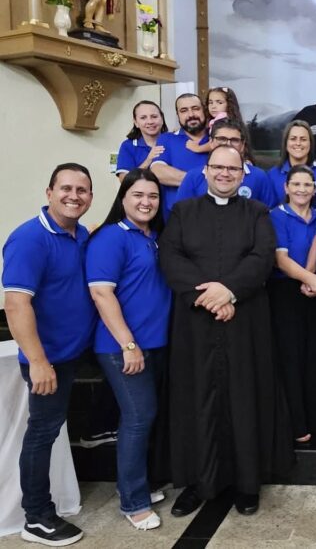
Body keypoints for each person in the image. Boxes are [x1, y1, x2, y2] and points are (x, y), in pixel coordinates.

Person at [159, 145, 293, 518]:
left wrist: (229, 291)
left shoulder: (257, 212)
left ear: (242, 174)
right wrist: (209, 295)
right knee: (195, 398)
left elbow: (262, 257)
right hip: (196, 322)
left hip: (244, 321)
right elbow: (170, 257)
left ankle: (246, 484)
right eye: (217, 167)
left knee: (243, 398)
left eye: (231, 169)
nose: (223, 174)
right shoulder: (183, 212)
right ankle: (197, 483)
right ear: (205, 171)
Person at [2, 163, 97, 546]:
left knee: (53, 429)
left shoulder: (81, 233)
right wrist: (38, 361)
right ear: (49, 192)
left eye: (82, 190)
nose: (74, 196)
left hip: (75, 353)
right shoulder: (29, 239)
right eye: (66, 189)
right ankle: (37, 517)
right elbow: (15, 304)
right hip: (48, 359)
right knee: (42, 433)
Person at [85, 168, 171, 531]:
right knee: (137, 419)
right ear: (123, 199)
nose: (146, 202)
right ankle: (132, 501)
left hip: (157, 343)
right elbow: (101, 293)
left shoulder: (153, 236)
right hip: (123, 348)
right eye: (138, 195)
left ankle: (143, 484)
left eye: (152, 196)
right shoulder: (110, 237)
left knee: (148, 418)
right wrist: (129, 344)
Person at [268, 165, 316, 443]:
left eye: (308, 185)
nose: (302, 190)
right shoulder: (275, 216)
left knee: (315, 356)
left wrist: (314, 280)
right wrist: (308, 278)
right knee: (290, 358)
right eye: (297, 184)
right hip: (285, 293)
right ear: (286, 187)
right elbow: (280, 259)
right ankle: (296, 423)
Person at [176, 118, 275, 207]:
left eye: (234, 140)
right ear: (211, 142)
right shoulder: (193, 177)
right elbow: (181, 215)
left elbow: (268, 215)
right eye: (221, 139)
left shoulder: (259, 176)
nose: (228, 144)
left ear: (243, 145)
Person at [150, 93, 209, 219]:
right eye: (184, 111)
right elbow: (158, 171)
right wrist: (202, 182)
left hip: (217, 215)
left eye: (195, 108)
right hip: (179, 218)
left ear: (204, 110)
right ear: (178, 115)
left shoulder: (217, 137)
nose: (191, 114)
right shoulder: (167, 139)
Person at [267, 119, 316, 206]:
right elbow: (269, 210)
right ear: (286, 143)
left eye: (303, 139)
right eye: (293, 139)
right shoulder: (273, 175)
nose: (298, 143)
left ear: (310, 143)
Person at [184, 86, 246, 155]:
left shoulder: (224, 121)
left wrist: (198, 148)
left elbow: (216, 143)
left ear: (229, 104)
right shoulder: (216, 120)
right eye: (210, 102)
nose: (213, 106)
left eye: (219, 103)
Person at [115, 100, 168, 180]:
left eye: (154, 116)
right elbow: (124, 180)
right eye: (143, 118)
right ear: (136, 122)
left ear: (162, 119)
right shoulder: (128, 146)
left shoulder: (173, 141)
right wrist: (148, 161)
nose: (150, 121)